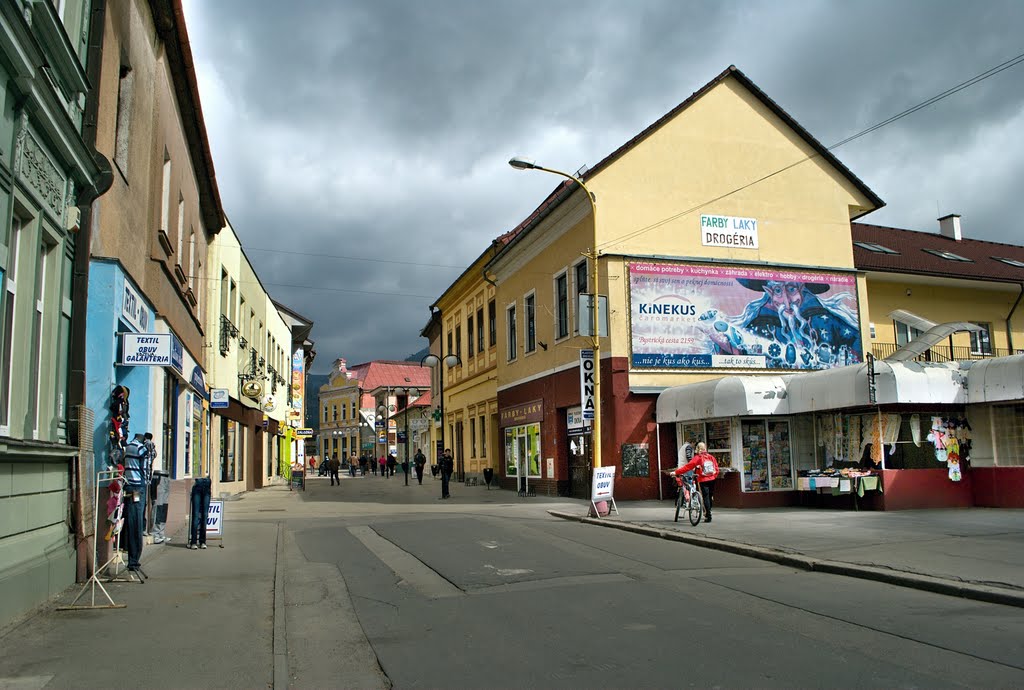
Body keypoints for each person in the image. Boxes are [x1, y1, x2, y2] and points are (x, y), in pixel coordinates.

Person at [122, 433, 152, 570]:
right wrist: (149, 449)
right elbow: (146, 469)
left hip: (128, 486)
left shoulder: (128, 447)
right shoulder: (140, 449)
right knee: (137, 524)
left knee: (130, 521)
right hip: (138, 487)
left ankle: (130, 556)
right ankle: (134, 561)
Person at [672, 441, 718, 523]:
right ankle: (708, 511)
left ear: (697, 449)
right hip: (712, 479)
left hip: (703, 480)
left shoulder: (698, 458)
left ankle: (708, 516)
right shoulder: (711, 457)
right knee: (710, 496)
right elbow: (716, 469)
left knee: (705, 497)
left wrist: (676, 472)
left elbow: (688, 467)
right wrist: (713, 476)